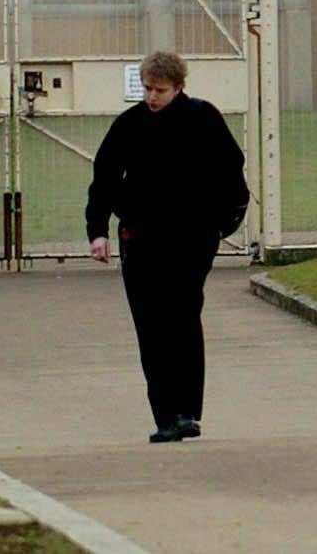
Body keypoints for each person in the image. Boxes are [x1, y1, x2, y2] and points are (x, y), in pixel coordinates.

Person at [86, 50, 249, 444]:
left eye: (159, 90)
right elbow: (104, 177)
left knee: (183, 317)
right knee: (151, 325)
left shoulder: (203, 118)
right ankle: (165, 416)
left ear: (179, 87)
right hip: (140, 238)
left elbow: (232, 170)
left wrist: (223, 224)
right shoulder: (129, 125)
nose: (151, 97)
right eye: (146, 89)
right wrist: (98, 231)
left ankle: (187, 411)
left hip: (192, 238)